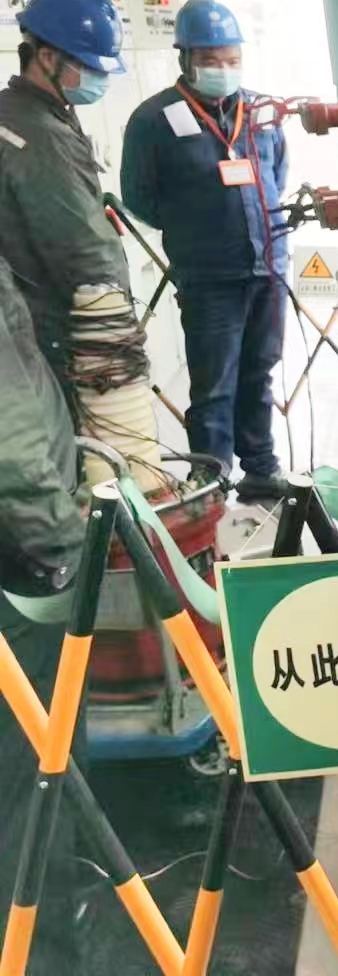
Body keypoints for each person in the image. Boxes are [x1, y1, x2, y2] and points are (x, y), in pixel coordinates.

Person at [120, 0, 292, 504]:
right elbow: (139, 198)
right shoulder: (153, 120)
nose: (223, 68)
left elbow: (277, 175)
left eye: (231, 58)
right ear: (186, 59)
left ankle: (261, 469)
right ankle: (212, 483)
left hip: (268, 265)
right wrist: (197, 225)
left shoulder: (261, 112)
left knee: (260, 373)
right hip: (209, 275)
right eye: (211, 59)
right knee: (214, 385)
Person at [0, 249, 87, 974]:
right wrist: (64, 546)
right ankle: (39, 946)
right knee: (36, 759)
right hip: (18, 563)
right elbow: (10, 440)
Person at [0, 0, 132, 399]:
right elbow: (84, 250)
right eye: (88, 66)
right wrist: (115, 332)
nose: (98, 78)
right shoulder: (42, 134)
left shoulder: (16, 111)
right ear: (46, 57)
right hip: (53, 329)